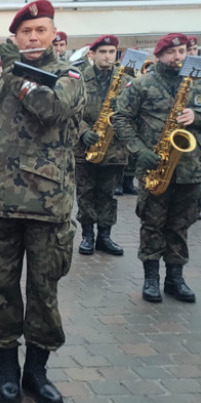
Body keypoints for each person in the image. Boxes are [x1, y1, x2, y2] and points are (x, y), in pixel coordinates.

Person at [0, 0, 84, 403]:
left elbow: (50, 108)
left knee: (44, 293)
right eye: (25, 32)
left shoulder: (68, 76)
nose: (33, 38)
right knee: (1, 291)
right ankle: (8, 371)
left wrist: (12, 71)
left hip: (49, 210)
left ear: (53, 35)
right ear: (15, 37)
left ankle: (38, 372)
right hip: (0, 206)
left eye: (40, 30)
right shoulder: (2, 79)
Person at [113, 33, 201, 305]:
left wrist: (198, 116)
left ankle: (175, 278)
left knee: (180, 225)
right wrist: (139, 150)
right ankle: (150, 278)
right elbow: (121, 118)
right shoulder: (142, 84)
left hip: (190, 166)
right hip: (154, 165)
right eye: (172, 52)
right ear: (159, 54)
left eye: (183, 51)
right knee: (152, 224)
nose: (178, 57)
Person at [75, 34, 129, 257]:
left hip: (113, 146)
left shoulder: (124, 79)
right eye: (104, 52)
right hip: (85, 147)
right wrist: (83, 131)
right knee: (85, 192)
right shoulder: (78, 78)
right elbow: (71, 110)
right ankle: (87, 235)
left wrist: (123, 106)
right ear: (92, 54)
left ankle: (105, 236)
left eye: (112, 53)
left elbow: (132, 113)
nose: (108, 57)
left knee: (107, 194)